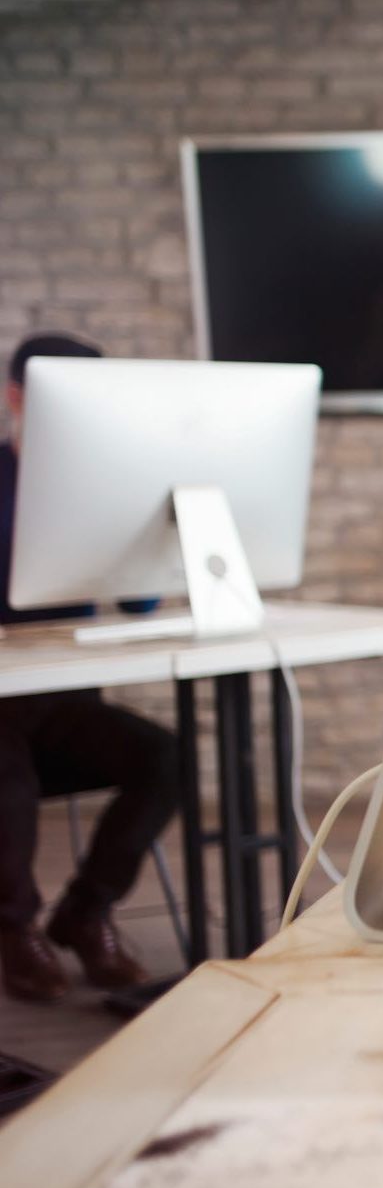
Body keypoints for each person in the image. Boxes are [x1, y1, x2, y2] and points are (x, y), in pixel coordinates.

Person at [0, 333, 180, 1003]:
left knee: (165, 759)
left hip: (62, 705)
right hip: (1, 708)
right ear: (16, 398)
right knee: (6, 777)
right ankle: (15, 932)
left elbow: (138, 599)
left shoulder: (99, 483)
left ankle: (84, 912)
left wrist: (155, 519)